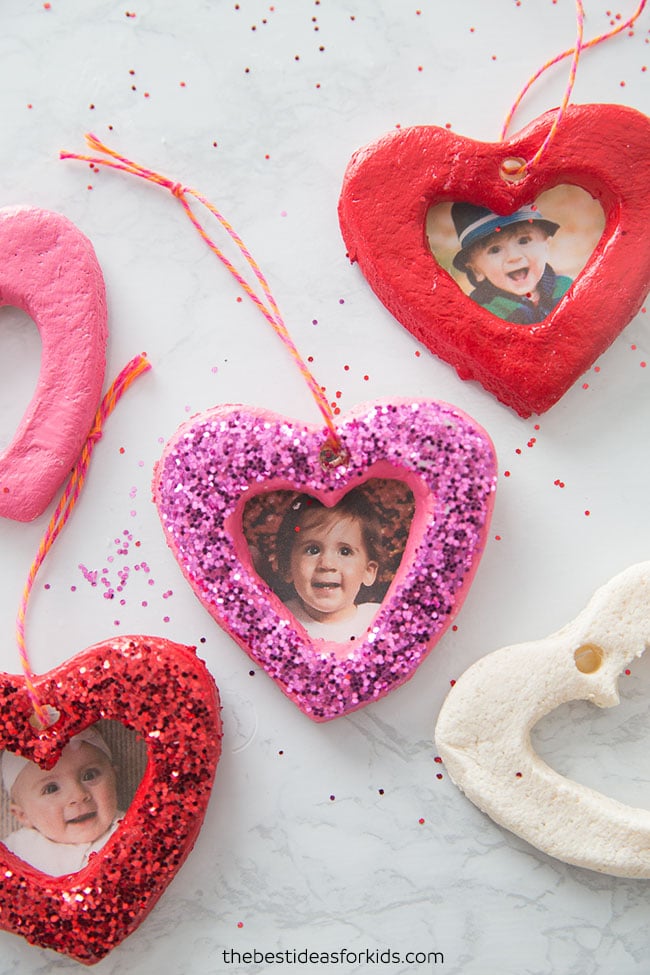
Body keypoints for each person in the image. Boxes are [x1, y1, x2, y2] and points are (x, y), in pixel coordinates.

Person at [1, 726, 123, 877]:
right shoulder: (17, 851)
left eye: (89, 775)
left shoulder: (131, 831)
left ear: (114, 778)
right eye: (51, 789)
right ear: (22, 815)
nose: (78, 795)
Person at [275, 490, 382, 645]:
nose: (327, 564)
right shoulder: (278, 619)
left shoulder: (379, 619)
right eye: (313, 550)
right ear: (287, 567)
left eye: (345, 552)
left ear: (368, 571)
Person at [451, 203, 572, 324]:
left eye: (523, 241)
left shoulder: (566, 289)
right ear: (476, 270)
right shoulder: (483, 313)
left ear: (546, 246)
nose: (514, 257)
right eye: (495, 250)